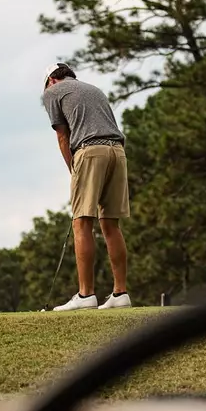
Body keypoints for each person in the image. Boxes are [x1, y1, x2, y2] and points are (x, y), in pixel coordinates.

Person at [41, 62, 131, 310]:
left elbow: (62, 136)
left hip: (90, 151)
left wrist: (73, 169)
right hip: (118, 152)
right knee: (111, 223)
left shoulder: (51, 92)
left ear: (51, 81)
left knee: (82, 221)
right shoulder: (93, 89)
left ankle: (85, 295)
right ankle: (120, 294)